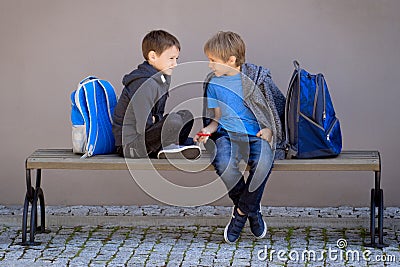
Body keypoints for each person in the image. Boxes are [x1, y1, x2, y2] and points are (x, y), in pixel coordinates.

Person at [194, 31, 286, 243]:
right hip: (227, 134)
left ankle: (241, 214)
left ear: (231, 60)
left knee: (264, 162)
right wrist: (208, 130)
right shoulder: (213, 83)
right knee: (222, 161)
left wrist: (270, 130)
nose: (210, 65)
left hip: (255, 135)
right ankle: (252, 209)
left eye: (213, 60)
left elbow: (274, 109)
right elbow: (216, 118)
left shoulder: (256, 79)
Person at [113, 30, 200, 159]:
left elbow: (155, 117)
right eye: (171, 58)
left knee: (186, 116)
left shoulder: (161, 80)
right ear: (153, 56)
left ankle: (171, 145)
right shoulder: (144, 84)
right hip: (130, 146)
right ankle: (168, 147)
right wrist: (157, 120)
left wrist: (156, 119)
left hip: (146, 137)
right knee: (173, 120)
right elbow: (144, 126)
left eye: (176, 59)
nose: (175, 64)